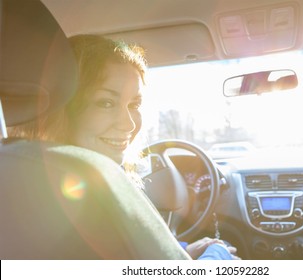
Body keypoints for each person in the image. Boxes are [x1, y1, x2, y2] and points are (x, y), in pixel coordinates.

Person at [8, 34, 239, 260]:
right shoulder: (94, 192)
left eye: (134, 104)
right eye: (106, 103)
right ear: (64, 109)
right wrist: (217, 256)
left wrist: (179, 251)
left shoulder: (19, 179)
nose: (128, 124)